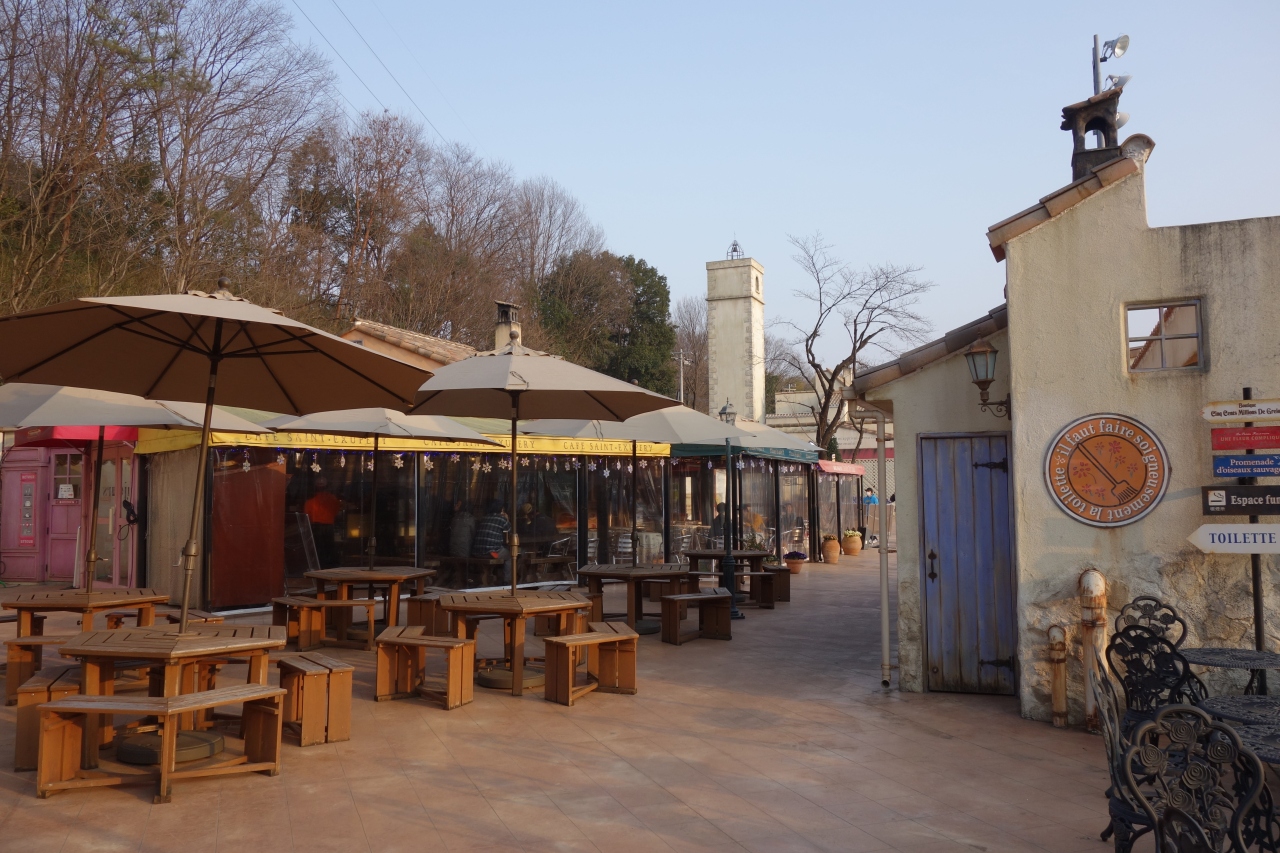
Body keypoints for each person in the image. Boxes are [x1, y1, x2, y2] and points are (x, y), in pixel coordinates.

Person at [304, 477, 341, 566]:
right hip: (329, 526)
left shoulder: (310, 501)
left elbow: (306, 515)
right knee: (329, 547)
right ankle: (329, 565)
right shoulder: (333, 499)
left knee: (317, 548)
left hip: (316, 526)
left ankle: (319, 565)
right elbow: (336, 512)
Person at [473, 499, 511, 568]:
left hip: (476, 552)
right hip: (491, 553)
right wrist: (507, 519)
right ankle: (508, 575)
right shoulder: (502, 519)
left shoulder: (484, 518)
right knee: (510, 556)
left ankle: (493, 573)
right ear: (501, 509)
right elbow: (510, 533)